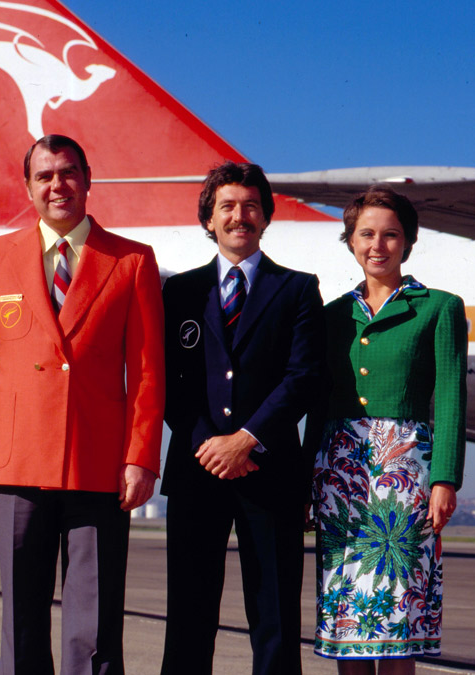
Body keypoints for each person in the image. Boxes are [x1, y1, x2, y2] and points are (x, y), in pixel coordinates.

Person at [0, 134, 166, 674]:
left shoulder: (132, 260)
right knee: (21, 622)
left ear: (88, 180)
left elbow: (149, 371)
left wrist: (141, 456)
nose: (57, 185)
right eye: (44, 176)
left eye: (67, 173)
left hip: (100, 466)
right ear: (28, 187)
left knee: (95, 624)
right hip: (15, 464)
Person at [159, 161, 323, 675]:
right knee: (189, 613)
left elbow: (302, 379)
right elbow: (167, 382)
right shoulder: (180, 292)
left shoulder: (296, 289)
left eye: (251, 206)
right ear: (209, 219)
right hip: (196, 469)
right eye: (227, 206)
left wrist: (246, 440)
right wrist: (211, 443)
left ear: (266, 217)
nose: (239, 216)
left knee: (273, 616)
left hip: (269, 471)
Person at [307, 185, 466, 674]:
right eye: (367, 234)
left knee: (397, 622)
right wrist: (306, 479)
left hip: (405, 479)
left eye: (391, 235)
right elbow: (317, 404)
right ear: (351, 242)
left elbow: (453, 397)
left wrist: (445, 479)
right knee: (345, 619)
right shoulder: (330, 315)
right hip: (340, 478)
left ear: (408, 242)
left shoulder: (439, 307)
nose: (378, 245)